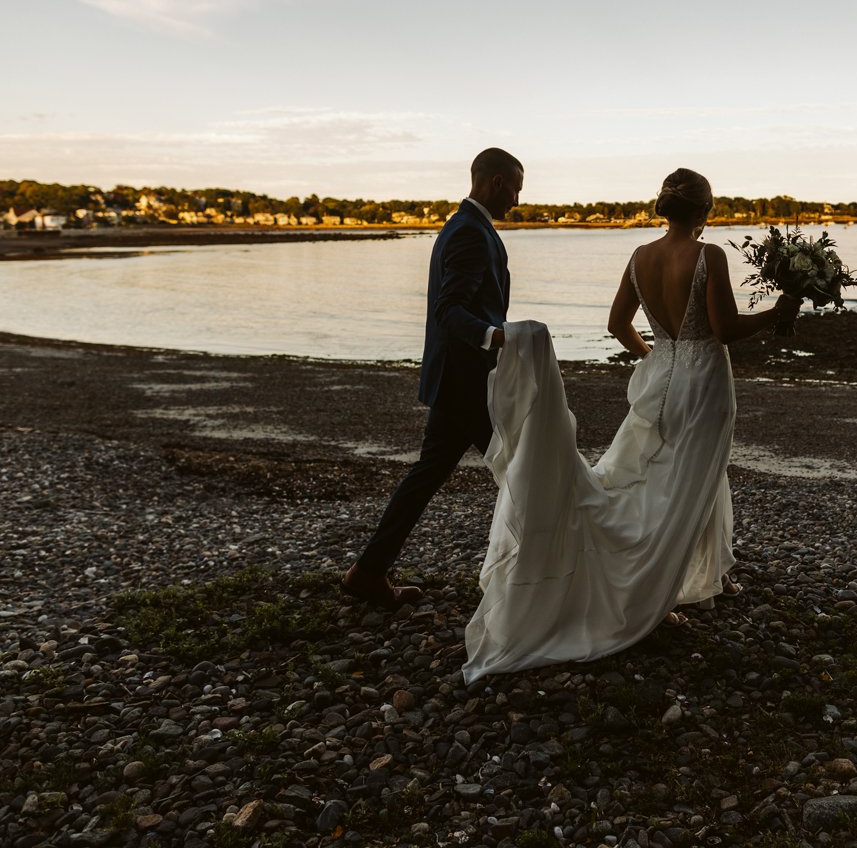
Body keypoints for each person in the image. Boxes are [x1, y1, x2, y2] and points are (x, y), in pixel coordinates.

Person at [462, 168, 799, 682]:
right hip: (703, 379)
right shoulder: (708, 256)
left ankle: (710, 569)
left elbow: (617, 324)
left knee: (677, 476)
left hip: (660, 373)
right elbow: (724, 328)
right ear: (705, 210)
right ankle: (655, 590)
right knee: (690, 477)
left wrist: (654, 353)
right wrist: (778, 313)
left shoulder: (640, 257)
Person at [341, 147, 523, 608]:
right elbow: (449, 309)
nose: (518, 201)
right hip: (466, 384)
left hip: (459, 380)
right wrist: (497, 337)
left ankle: (368, 570)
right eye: (516, 189)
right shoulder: (469, 232)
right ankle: (544, 576)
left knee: (435, 474)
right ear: (497, 182)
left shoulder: (465, 226)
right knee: (523, 470)